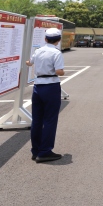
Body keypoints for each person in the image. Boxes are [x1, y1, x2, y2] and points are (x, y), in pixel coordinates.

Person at [25, 28, 64, 163]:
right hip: (51, 86)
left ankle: (35, 151)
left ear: (45, 39)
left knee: (37, 120)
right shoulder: (56, 53)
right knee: (50, 120)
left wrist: (28, 63)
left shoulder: (38, 51)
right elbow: (59, 71)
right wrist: (61, 71)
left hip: (38, 86)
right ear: (58, 40)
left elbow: (30, 63)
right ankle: (45, 151)